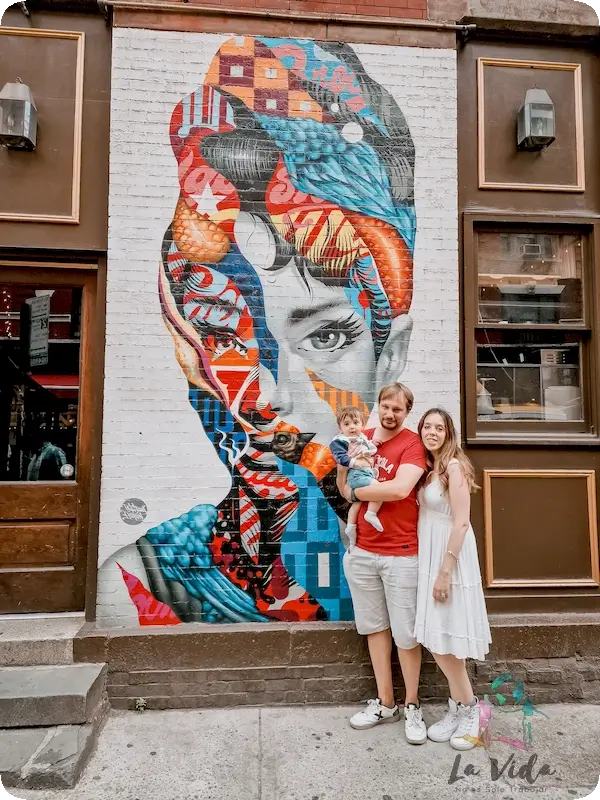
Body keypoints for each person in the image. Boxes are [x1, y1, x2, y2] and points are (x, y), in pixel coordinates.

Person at [97, 36, 421, 626]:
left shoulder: (413, 542)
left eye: (325, 337)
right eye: (228, 339)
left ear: (390, 353)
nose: (269, 395)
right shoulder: (142, 585)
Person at [337, 382, 429, 745]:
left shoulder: (412, 444)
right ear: (378, 406)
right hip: (362, 552)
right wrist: (352, 486)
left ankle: (412, 705)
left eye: (398, 409)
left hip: (401, 552)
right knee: (375, 628)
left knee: (406, 634)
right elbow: (343, 485)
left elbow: (398, 491)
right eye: (385, 407)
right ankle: (386, 702)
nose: (390, 414)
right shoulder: (361, 435)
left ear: (408, 412)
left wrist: (359, 493)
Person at [414, 408, 492, 751]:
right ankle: (458, 707)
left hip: (450, 560)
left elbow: (461, 523)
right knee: (437, 636)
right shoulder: (431, 471)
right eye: (427, 427)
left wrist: (445, 571)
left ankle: (474, 710)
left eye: (439, 427)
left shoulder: (455, 468)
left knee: (448, 639)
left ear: (449, 433)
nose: (432, 432)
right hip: (431, 557)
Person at [330, 405, 383, 547]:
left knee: (357, 503)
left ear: (362, 424)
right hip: (356, 475)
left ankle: (351, 527)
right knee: (379, 489)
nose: (352, 427)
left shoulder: (361, 437)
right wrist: (356, 463)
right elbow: (341, 458)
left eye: (355, 423)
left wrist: (373, 444)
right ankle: (371, 513)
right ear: (340, 427)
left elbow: (365, 446)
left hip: (361, 474)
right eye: (347, 424)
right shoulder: (340, 441)